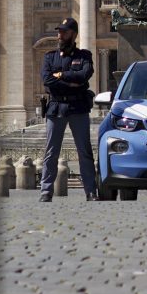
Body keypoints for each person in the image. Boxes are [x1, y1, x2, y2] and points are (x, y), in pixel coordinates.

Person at [37, 18, 98, 202]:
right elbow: (47, 81)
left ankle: (90, 191)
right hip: (56, 108)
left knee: (84, 151)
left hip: (78, 107)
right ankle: (46, 191)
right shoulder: (49, 57)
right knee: (51, 152)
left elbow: (84, 75)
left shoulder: (84, 56)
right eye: (59, 32)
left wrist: (62, 75)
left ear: (73, 34)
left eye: (63, 32)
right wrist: (72, 82)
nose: (59, 35)